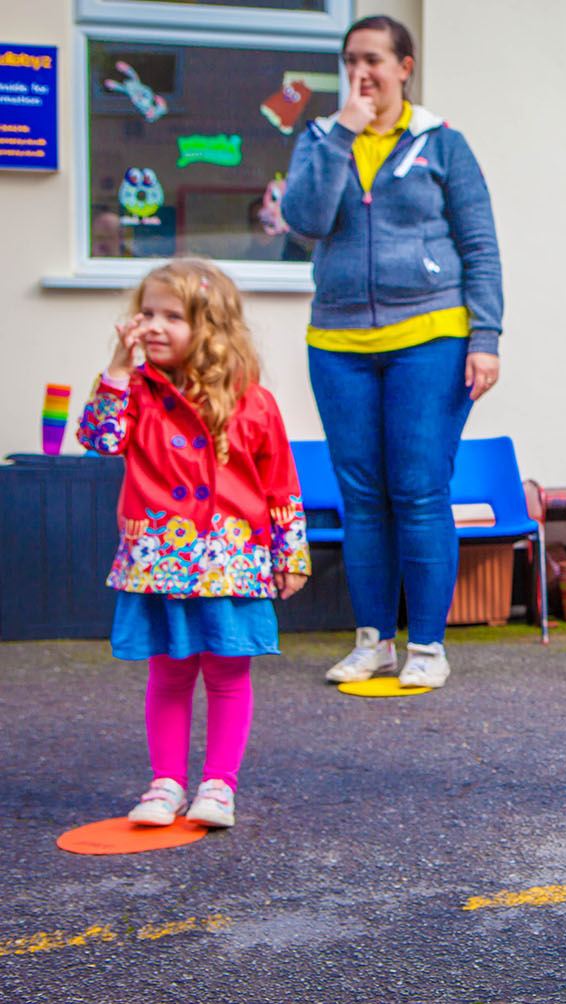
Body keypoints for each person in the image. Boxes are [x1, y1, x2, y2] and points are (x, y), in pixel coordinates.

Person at [282, 15, 503, 689]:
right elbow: (305, 221)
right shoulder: (320, 139)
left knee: (418, 488)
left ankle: (427, 647)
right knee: (362, 495)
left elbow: (479, 245)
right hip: (338, 342)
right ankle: (372, 641)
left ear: (405, 67)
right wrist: (343, 132)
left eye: (374, 60)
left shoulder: (444, 144)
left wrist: (485, 338)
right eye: (352, 60)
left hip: (429, 337)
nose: (362, 73)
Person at [76, 259, 311, 830]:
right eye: (146, 313)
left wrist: (291, 555)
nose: (153, 326)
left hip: (229, 558)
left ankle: (219, 785)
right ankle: (164, 783)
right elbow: (98, 439)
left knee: (228, 673)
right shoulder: (133, 392)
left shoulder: (252, 401)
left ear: (209, 326)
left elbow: (281, 482)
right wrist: (115, 368)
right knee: (169, 672)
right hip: (159, 557)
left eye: (171, 316)